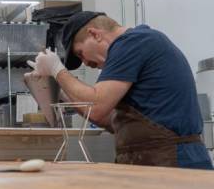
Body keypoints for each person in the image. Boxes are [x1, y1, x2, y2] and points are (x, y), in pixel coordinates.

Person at [28, 11, 213, 169]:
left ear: (95, 34)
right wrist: (58, 92)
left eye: (80, 53)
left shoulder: (133, 42)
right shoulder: (136, 45)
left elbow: (97, 105)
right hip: (156, 162)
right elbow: (104, 117)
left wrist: (57, 70)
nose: (87, 64)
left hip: (175, 162)